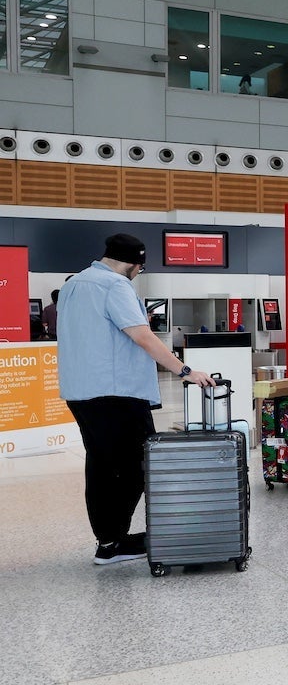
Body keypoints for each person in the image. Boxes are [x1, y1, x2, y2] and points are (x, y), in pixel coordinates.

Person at [57, 233, 217, 565]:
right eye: (140, 269)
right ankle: (113, 542)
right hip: (117, 392)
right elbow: (142, 335)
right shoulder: (116, 286)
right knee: (136, 466)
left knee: (101, 465)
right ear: (134, 264)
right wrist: (184, 370)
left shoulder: (74, 284)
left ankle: (108, 540)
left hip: (81, 390)